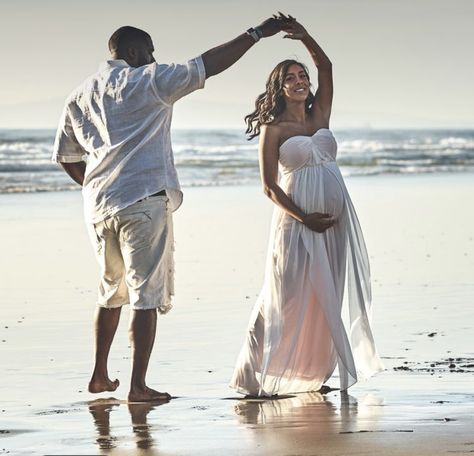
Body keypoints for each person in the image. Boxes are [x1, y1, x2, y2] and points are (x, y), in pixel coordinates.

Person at [52, 16, 292, 402]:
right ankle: (138, 386)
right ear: (133, 52)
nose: (153, 57)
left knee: (111, 291)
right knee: (146, 295)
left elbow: (66, 156)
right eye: (149, 51)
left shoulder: (79, 95)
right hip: (144, 199)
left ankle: (99, 375)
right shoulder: (149, 79)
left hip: (98, 206)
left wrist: (98, 186)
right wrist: (256, 34)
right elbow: (207, 64)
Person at [230, 16, 384, 397]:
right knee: (283, 295)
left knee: (326, 293)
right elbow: (268, 187)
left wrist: (306, 36)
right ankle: (252, 376)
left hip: (334, 221)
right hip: (296, 224)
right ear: (279, 88)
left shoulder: (320, 116)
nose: (301, 81)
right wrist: (304, 218)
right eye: (292, 78)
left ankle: (315, 372)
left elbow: (327, 66)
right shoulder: (274, 128)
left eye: (303, 76)